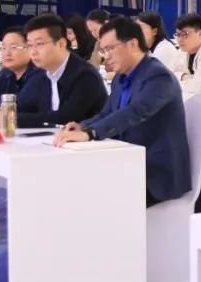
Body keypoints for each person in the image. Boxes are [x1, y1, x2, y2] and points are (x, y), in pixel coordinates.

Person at [53, 17, 191, 207]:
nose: (106, 56)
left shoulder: (158, 76)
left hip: (154, 174)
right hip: (126, 163)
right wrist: (83, 126)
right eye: (103, 50)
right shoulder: (121, 76)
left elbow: (135, 112)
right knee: (73, 184)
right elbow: (106, 113)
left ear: (132, 44)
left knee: (90, 196)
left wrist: (90, 133)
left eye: (110, 48)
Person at [8, 13, 107, 128]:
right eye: (30, 45)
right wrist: (1, 111)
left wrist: (11, 118)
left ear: (61, 44)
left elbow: (65, 119)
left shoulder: (85, 76)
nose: (33, 52)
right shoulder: (41, 75)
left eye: (39, 44)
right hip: (51, 138)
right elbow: (22, 104)